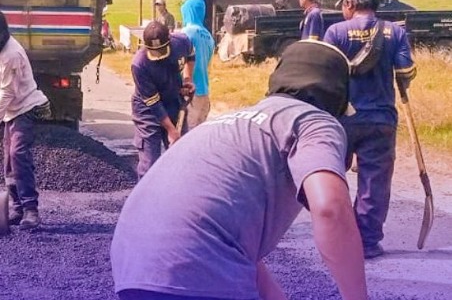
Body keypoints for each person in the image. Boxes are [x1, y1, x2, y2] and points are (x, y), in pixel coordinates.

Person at [111, 40, 368, 300]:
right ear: (336, 104)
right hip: (196, 270)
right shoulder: (311, 119)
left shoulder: (234, 125)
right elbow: (330, 209)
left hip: (133, 270)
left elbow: (228, 247)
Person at [323, 0, 416, 259]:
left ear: (350, 3)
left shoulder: (336, 33)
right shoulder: (395, 33)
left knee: (332, 178)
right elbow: (406, 73)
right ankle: (367, 242)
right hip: (381, 119)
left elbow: (327, 76)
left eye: (343, 4)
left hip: (341, 119)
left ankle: (337, 241)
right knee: (374, 183)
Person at [0, 8, 51, 230]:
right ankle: (17, 208)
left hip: (28, 106)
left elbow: (8, 93)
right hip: (10, 109)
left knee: (18, 153)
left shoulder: (12, 54)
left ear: (4, 34)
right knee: (9, 160)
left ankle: (31, 211)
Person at [130, 21, 194, 179]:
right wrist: (171, 130)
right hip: (148, 111)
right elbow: (153, 103)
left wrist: (187, 79)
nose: (158, 54)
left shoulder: (181, 42)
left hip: (173, 101)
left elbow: (191, 55)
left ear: (169, 41)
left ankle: (175, 199)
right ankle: (145, 200)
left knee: (181, 158)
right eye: (154, 51)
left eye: (161, 50)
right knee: (150, 163)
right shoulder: (139, 65)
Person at [180, 0, 215, 130]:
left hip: (189, 91)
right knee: (198, 133)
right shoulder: (209, 36)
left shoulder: (186, 33)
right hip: (204, 90)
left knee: (185, 134)